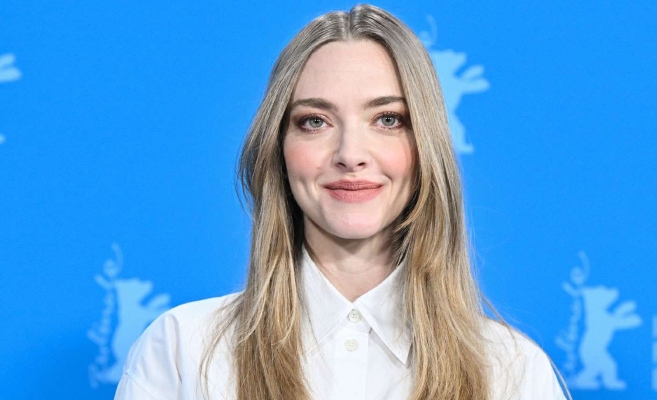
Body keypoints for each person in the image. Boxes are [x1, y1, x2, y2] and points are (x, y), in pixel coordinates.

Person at [115, 4, 568, 400]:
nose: (350, 154)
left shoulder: (513, 372)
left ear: (426, 146)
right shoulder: (182, 351)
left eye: (387, 119)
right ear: (278, 148)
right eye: (315, 121)